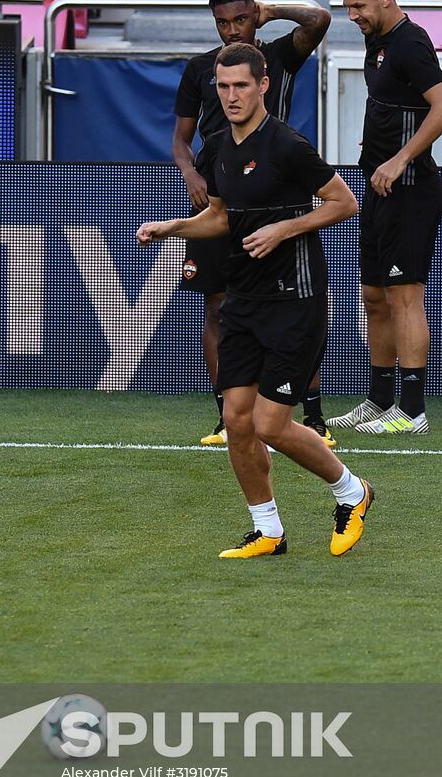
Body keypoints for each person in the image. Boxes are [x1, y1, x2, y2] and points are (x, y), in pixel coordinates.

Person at [139, 44, 375, 558]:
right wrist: (171, 227)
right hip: (242, 301)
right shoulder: (219, 144)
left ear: (263, 85)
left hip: (295, 300)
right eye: (222, 87)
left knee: (271, 424)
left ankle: (352, 493)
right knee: (238, 422)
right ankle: (267, 529)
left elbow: (345, 202)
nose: (231, 96)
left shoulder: (288, 145)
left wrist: (284, 228)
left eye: (241, 85)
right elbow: (221, 216)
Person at [173, 0, 335, 448]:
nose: (232, 30)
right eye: (223, 22)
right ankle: (227, 416)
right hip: (218, 197)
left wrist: (270, 10)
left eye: (241, 19)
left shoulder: (279, 56)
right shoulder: (200, 69)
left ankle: (314, 417)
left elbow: (320, 18)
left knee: (291, 307)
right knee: (219, 304)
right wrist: (192, 175)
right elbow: (181, 140)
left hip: (273, 193)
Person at [329, 0, 442, 435]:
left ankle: (412, 410)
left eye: (359, 5)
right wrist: (378, 144)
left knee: (406, 296)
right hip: (378, 187)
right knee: (372, 295)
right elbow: (397, 104)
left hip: (410, 190)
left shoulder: (411, 40)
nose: (353, 15)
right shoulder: (376, 41)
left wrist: (400, 157)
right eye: (348, 8)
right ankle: (379, 399)